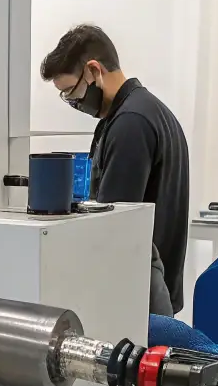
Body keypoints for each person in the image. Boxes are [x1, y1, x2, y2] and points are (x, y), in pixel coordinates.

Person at [40, 23, 189, 316]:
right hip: (150, 294)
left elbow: (112, 227)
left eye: (71, 91)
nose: (72, 102)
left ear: (94, 70)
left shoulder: (131, 123)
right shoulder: (144, 112)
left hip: (139, 297)